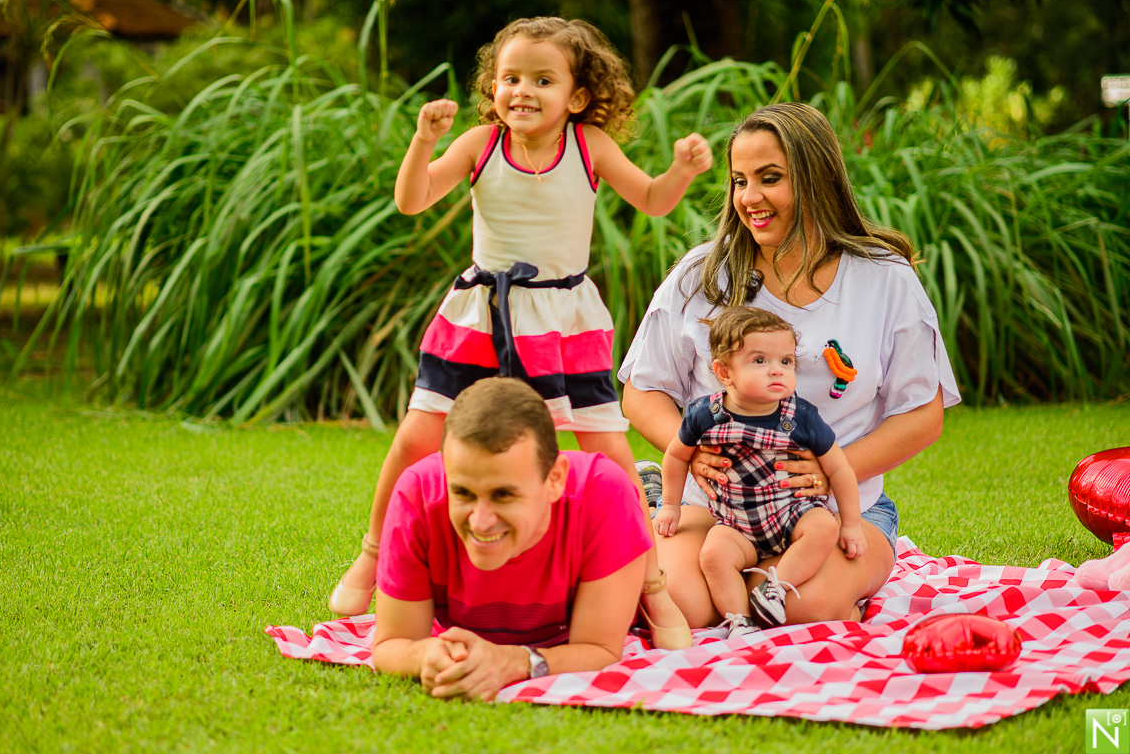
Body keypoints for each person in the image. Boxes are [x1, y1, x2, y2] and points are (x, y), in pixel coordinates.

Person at [332, 17, 712, 649]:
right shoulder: (481, 144)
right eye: (510, 78)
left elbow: (651, 199)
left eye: (542, 79)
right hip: (481, 313)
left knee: (610, 457)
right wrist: (424, 142)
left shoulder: (589, 148)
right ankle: (373, 556)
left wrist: (681, 171)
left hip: (564, 321)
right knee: (416, 439)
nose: (522, 91)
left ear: (578, 96)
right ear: (493, 85)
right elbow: (412, 198)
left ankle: (652, 588)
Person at [619, 102, 961, 628]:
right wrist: (687, 455)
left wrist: (830, 472)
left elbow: (922, 415)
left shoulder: (884, 279)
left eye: (769, 178)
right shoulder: (700, 276)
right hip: (713, 506)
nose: (749, 198)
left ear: (816, 179)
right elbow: (642, 392)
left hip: (835, 513)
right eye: (739, 181)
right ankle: (653, 491)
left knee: (803, 607)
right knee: (681, 604)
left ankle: (815, 586)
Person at [371, 378, 653, 701]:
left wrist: (514, 662)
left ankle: (650, 495)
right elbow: (392, 645)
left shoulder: (605, 494)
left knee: (692, 603)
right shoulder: (418, 494)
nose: (480, 520)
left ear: (554, 480)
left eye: (503, 494)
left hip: (626, 523)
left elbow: (600, 649)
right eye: (462, 492)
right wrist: (424, 656)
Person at [654, 305, 865, 630]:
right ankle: (738, 619)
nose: (777, 370)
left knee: (824, 526)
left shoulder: (800, 416)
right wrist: (670, 505)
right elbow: (677, 456)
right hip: (735, 523)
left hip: (792, 515)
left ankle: (775, 586)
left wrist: (850, 524)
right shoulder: (704, 415)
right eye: (759, 361)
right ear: (725, 372)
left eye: (786, 361)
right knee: (713, 555)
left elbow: (839, 469)